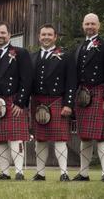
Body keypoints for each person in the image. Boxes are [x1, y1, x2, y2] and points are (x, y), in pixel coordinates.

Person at [71, 13, 104, 182]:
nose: (90, 26)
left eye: (93, 24)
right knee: (84, 135)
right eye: (87, 23)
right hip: (82, 96)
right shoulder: (80, 47)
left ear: (99, 26)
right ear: (83, 25)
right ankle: (84, 173)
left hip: (99, 93)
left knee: (103, 136)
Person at [0, 22, 33, 180]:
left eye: (2, 33)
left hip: (13, 101)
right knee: (0, 138)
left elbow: (27, 79)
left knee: (15, 137)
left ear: (9, 35)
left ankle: (19, 171)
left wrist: (20, 102)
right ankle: (4, 172)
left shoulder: (20, 52)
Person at [30, 24, 76, 182]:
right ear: (39, 36)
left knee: (60, 138)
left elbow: (71, 82)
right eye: (43, 35)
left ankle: (64, 173)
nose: (46, 37)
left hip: (57, 101)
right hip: (38, 101)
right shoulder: (33, 57)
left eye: (49, 34)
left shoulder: (65, 56)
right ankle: (40, 173)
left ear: (55, 37)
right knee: (40, 139)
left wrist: (68, 103)